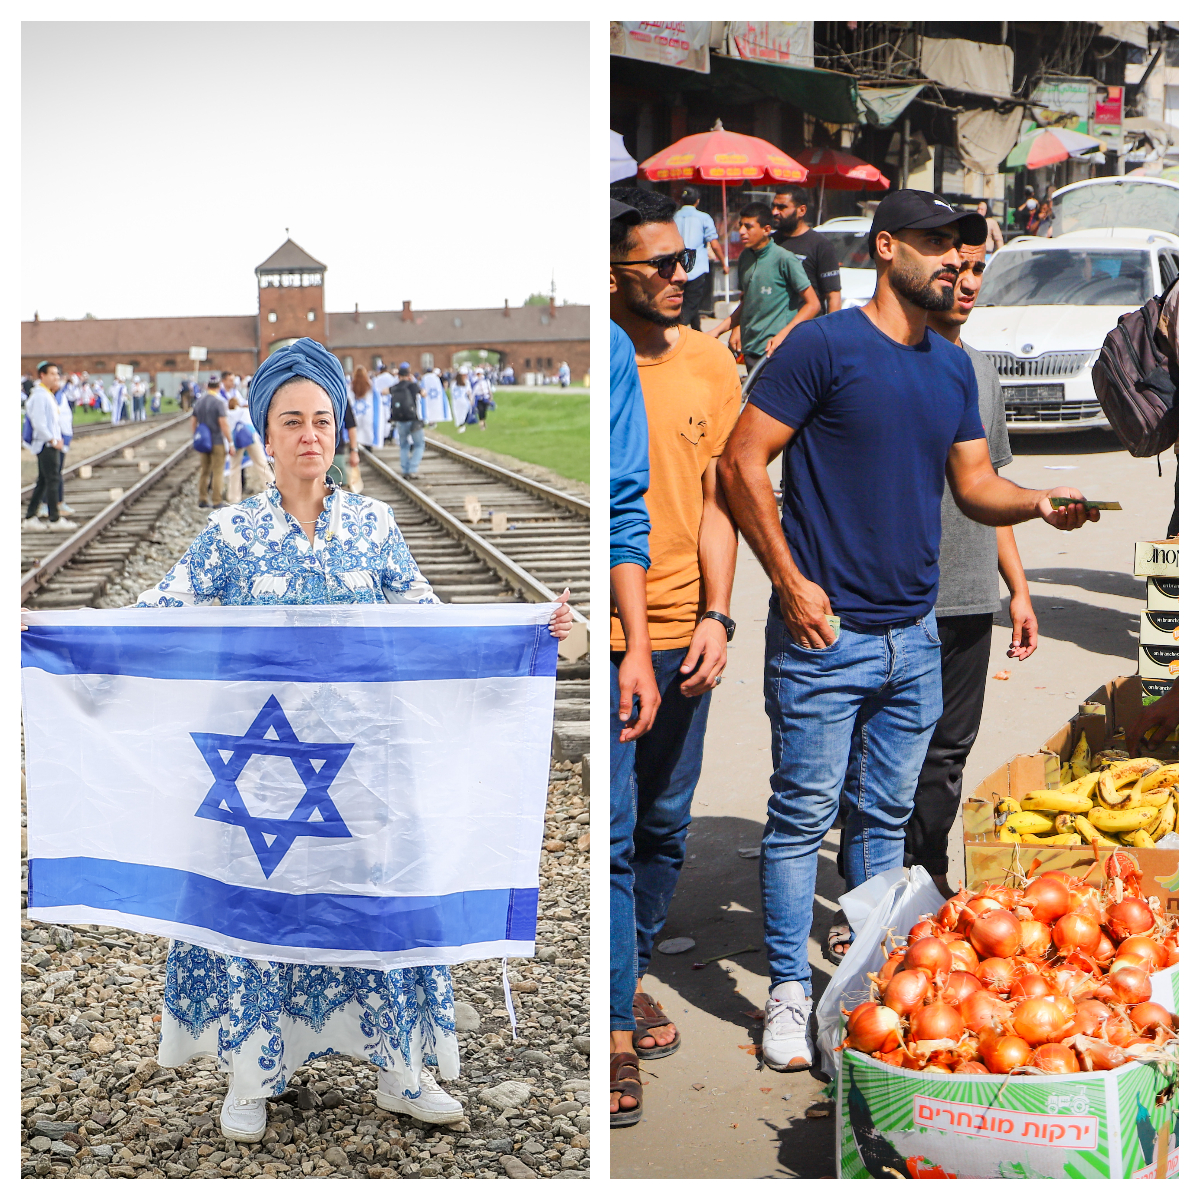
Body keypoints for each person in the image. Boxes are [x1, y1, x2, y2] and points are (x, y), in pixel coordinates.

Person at [129, 336, 573, 1142]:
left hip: (368, 768)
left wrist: (527, 630)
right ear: (265, 434)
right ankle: (252, 1073)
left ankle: (400, 1070)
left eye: (322, 419)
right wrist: (44, 633)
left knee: (378, 907)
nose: (308, 434)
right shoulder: (228, 537)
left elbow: (432, 624)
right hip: (260, 773)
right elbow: (153, 619)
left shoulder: (374, 528)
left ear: (339, 431)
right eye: (291, 420)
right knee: (261, 917)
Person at [716, 189, 1101, 1072]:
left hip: (914, 638)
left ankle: (861, 983)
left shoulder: (949, 368)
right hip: (827, 633)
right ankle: (784, 990)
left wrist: (1040, 504)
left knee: (884, 819)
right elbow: (739, 461)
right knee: (800, 816)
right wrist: (789, 580)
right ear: (887, 248)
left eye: (960, 248)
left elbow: (975, 484)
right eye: (934, 243)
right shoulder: (823, 345)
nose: (951, 261)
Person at [824, 239, 1038, 957]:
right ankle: (863, 897)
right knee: (875, 761)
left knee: (946, 753)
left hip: (970, 592)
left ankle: (926, 875)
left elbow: (997, 488)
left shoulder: (979, 371)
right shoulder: (866, 357)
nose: (967, 283)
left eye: (978, 272)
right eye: (957, 268)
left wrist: (1020, 590)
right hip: (886, 599)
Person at [609, 185, 741, 1121]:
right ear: (614, 275)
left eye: (683, 260)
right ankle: (615, 1024)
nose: (677, 278)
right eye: (658, 264)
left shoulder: (709, 363)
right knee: (614, 838)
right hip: (621, 638)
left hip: (683, 632)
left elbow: (723, 499)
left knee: (666, 827)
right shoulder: (610, 360)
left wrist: (720, 616)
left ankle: (632, 970)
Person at [710, 202, 820, 370]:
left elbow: (813, 304)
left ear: (766, 230)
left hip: (776, 351)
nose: (741, 232)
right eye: (741, 226)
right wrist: (719, 330)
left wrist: (784, 334)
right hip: (750, 349)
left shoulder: (784, 259)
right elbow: (747, 302)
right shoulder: (745, 257)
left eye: (748, 227)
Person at [771, 186, 843, 314]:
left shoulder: (821, 245)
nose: (774, 212)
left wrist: (832, 332)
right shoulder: (769, 243)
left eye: (782, 207)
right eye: (774, 206)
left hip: (807, 329)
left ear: (801, 210)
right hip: (774, 328)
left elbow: (833, 297)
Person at [23, 361, 76, 531]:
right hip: (46, 444)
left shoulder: (47, 394)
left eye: (57, 374)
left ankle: (30, 517)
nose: (56, 377)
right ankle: (54, 519)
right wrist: (53, 440)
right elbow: (39, 422)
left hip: (47, 443)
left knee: (44, 481)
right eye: (52, 374)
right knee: (53, 479)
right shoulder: (40, 396)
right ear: (42, 376)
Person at [673, 186, 728, 331]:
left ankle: (697, 330)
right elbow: (714, 244)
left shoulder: (674, 217)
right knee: (691, 303)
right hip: (697, 267)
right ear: (697, 201)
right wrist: (723, 262)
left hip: (677, 267)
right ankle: (678, 329)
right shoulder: (703, 217)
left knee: (688, 300)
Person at [193, 376, 231, 509]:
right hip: (217, 440)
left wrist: (195, 436)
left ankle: (202, 498)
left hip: (204, 441)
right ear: (218, 387)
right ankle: (216, 500)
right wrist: (230, 442)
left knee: (205, 471)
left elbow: (193, 421)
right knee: (218, 471)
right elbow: (223, 424)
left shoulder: (199, 401)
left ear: (207, 386)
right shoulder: (219, 402)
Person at [389, 364, 425, 478]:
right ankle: (413, 469)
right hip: (413, 420)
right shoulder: (413, 386)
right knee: (419, 444)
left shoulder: (395, 387)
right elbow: (424, 394)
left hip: (400, 420)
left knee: (404, 445)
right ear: (409, 375)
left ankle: (405, 470)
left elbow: (383, 391)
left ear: (398, 376)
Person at [330, 396, 359, 487]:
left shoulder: (340, 397)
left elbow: (351, 425)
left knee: (337, 488)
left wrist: (354, 451)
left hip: (336, 451)